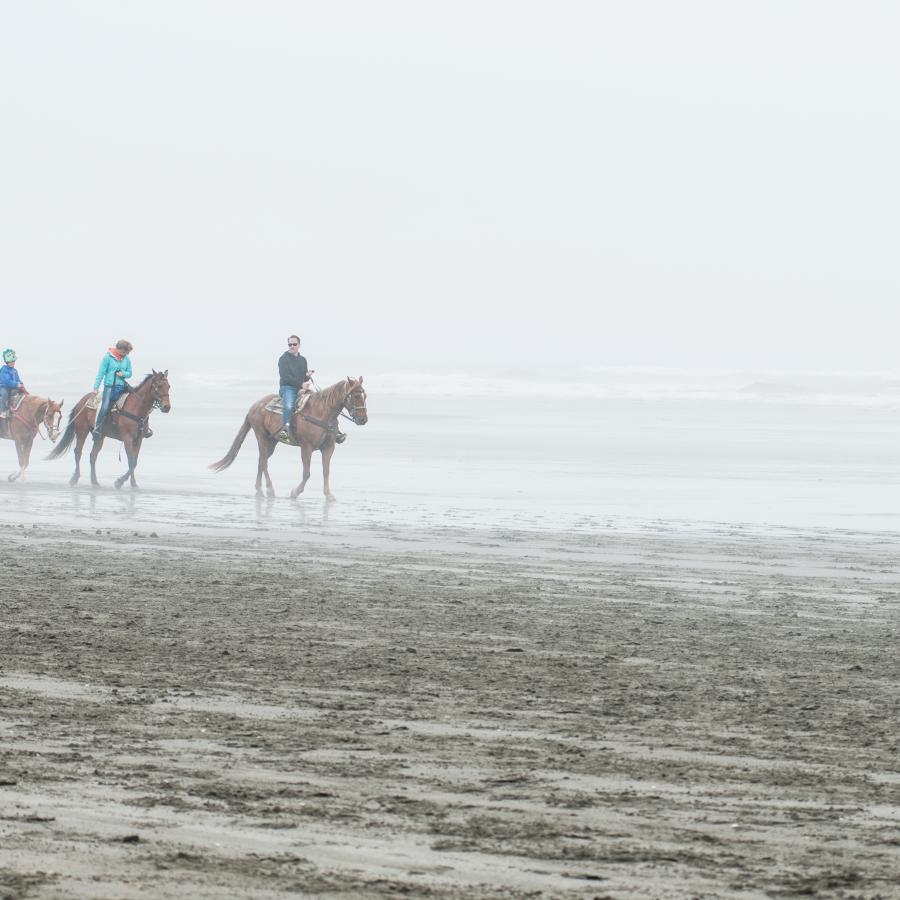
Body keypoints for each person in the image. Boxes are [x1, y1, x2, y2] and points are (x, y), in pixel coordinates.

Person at [92, 339, 133, 438]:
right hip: (110, 386)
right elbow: (101, 373)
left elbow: (130, 373)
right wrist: (96, 387)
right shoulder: (107, 358)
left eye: (127, 353)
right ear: (119, 349)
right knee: (105, 407)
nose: (126, 354)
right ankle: (97, 428)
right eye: (125, 352)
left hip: (122, 386)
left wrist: (123, 374)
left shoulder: (126, 359)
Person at [276, 335, 313, 441]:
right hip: (287, 388)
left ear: (299, 345)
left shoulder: (303, 360)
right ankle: (285, 430)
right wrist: (301, 385)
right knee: (288, 406)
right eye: (290, 344)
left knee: (318, 400)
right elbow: (285, 377)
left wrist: (307, 376)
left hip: (300, 388)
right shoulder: (283, 359)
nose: (292, 346)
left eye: (294, 344)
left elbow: (304, 378)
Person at [0, 348, 26, 414]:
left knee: (21, 392)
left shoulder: (14, 370)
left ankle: (19, 406)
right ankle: (2, 411)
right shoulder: (4, 369)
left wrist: (20, 383)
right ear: (7, 362)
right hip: (3, 387)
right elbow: (6, 381)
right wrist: (16, 384)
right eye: (10, 362)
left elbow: (17, 379)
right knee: (4, 394)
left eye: (13, 361)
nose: (12, 363)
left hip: (12, 387)